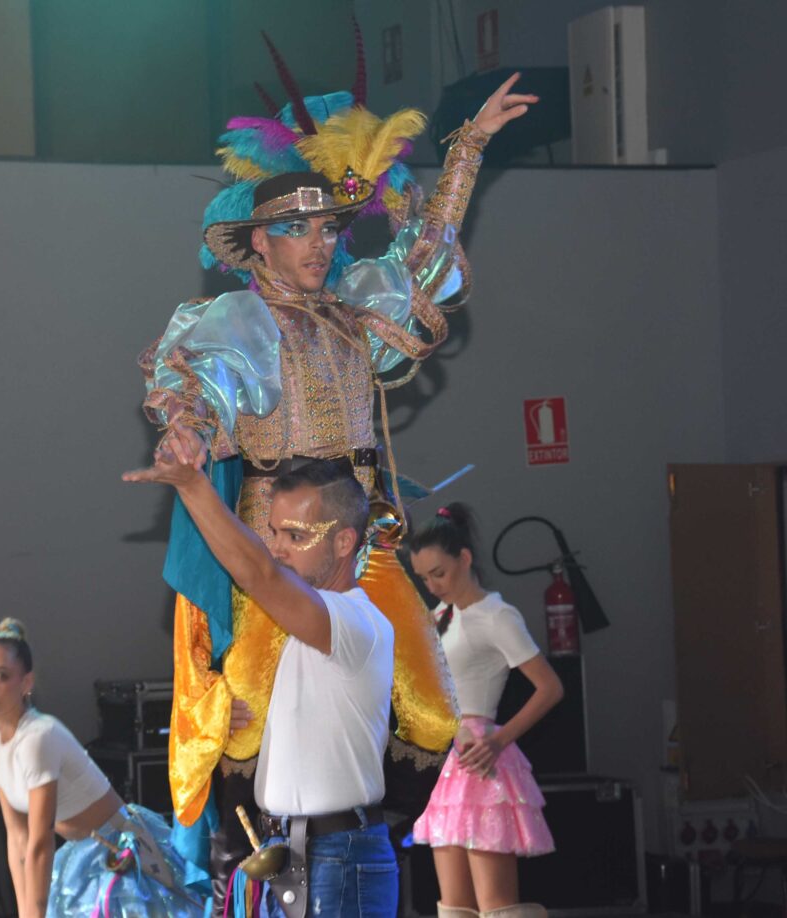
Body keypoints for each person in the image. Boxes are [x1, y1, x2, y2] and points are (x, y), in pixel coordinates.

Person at [139, 28, 539, 911]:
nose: (319, 244)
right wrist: (188, 434)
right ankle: (259, 862)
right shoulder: (240, 320)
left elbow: (426, 250)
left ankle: (358, 855)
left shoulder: (357, 308)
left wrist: (467, 146)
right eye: (297, 230)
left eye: (327, 228)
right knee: (235, 721)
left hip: (367, 539)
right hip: (279, 546)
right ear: (260, 244)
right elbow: (196, 385)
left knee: (435, 715)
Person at [125, 450, 398, 917]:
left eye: (295, 536)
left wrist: (193, 486)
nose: (277, 547)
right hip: (296, 854)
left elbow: (259, 573)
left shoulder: (355, 622)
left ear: (343, 542)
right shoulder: (306, 632)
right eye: (272, 532)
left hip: (336, 856)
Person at [0, 618, 207, 917]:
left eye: (0, 676)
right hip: (80, 854)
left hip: (120, 853)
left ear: (26, 682)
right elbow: (18, 837)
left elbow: (40, 839)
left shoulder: (38, 737)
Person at [408, 505, 565, 918]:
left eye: (438, 573)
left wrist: (498, 739)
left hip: (481, 761)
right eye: (423, 577)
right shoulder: (440, 616)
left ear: (464, 559)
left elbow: (550, 688)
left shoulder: (496, 616)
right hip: (450, 763)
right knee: (453, 908)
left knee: (497, 907)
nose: (431, 584)